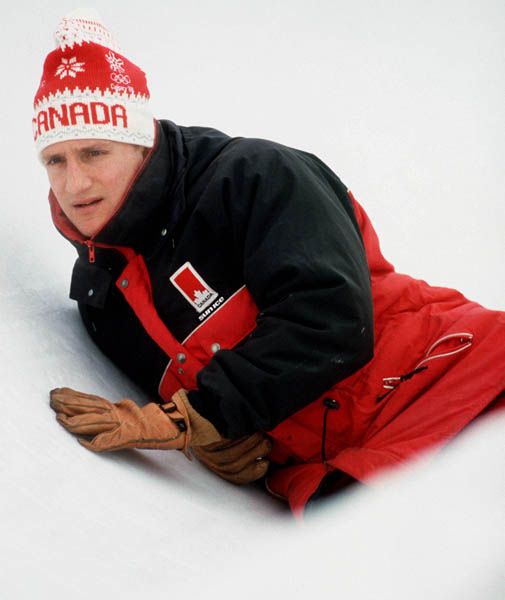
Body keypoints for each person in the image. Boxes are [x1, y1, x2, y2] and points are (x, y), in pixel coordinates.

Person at [36, 10, 505, 516]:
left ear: (139, 142)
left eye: (94, 153)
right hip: (345, 481)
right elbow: (234, 418)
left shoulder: (252, 177)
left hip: (460, 379)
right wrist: (232, 445)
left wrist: (195, 418)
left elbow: (331, 318)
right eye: (55, 161)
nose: (74, 184)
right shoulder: (101, 302)